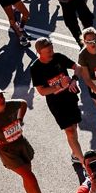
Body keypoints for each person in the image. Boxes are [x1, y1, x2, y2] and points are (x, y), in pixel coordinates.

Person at [27, 37, 86, 165]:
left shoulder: (58, 57)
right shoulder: (35, 68)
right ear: (39, 52)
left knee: (74, 127)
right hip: (57, 104)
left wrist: (74, 79)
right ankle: (83, 162)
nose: (51, 52)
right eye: (48, 51)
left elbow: (78, 67)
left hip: (70, 97)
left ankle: (75, 153)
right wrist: (60, 86)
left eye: (52, 49)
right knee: (69, 130)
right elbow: (42, 91)